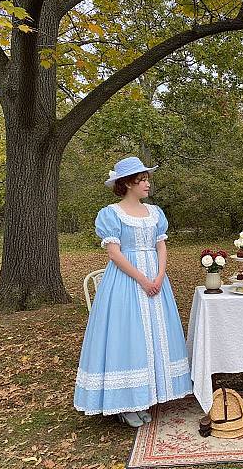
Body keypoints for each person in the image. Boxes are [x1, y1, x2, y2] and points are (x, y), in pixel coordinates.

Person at [74, 157, 192, 427]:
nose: (148, 183)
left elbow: (161, 245)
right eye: (143, 179)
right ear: (128, 183)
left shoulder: (155, 213)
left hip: (156, 279)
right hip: (126, 281)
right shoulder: (111, 214)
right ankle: (125, 402)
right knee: (128, 335)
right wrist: (142, 279)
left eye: (147, 178)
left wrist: (160, 275)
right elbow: (114, 254)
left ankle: (149, 394)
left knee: (154, 334)